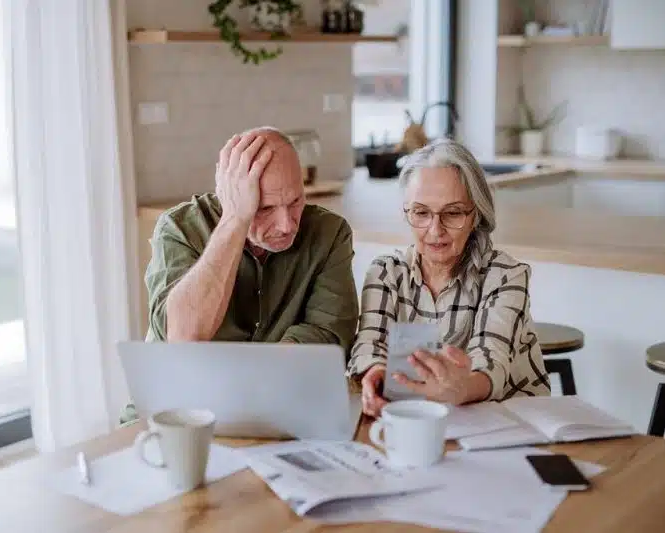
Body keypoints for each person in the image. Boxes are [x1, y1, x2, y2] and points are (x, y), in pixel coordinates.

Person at [347, 138, 550, 417]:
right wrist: (376, 373)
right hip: (422, 420)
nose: (435, 230)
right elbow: (370, 344)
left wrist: (461, 388)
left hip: (510, 421)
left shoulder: (505, 276)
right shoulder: (386, 273)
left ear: (475, 215)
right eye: (421, 212)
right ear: (407, 213)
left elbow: (492, 359)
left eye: (452, 213)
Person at [144, 126, 359, 349]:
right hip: (200, 382)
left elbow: (329, 333)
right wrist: (235, 220)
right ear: (227, 195)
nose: (286, 225)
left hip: (285, 380)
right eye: (265, 208)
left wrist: (260, 372)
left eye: (295, 201)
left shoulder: (330, 233)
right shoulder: (179, 228)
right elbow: (182, 337)